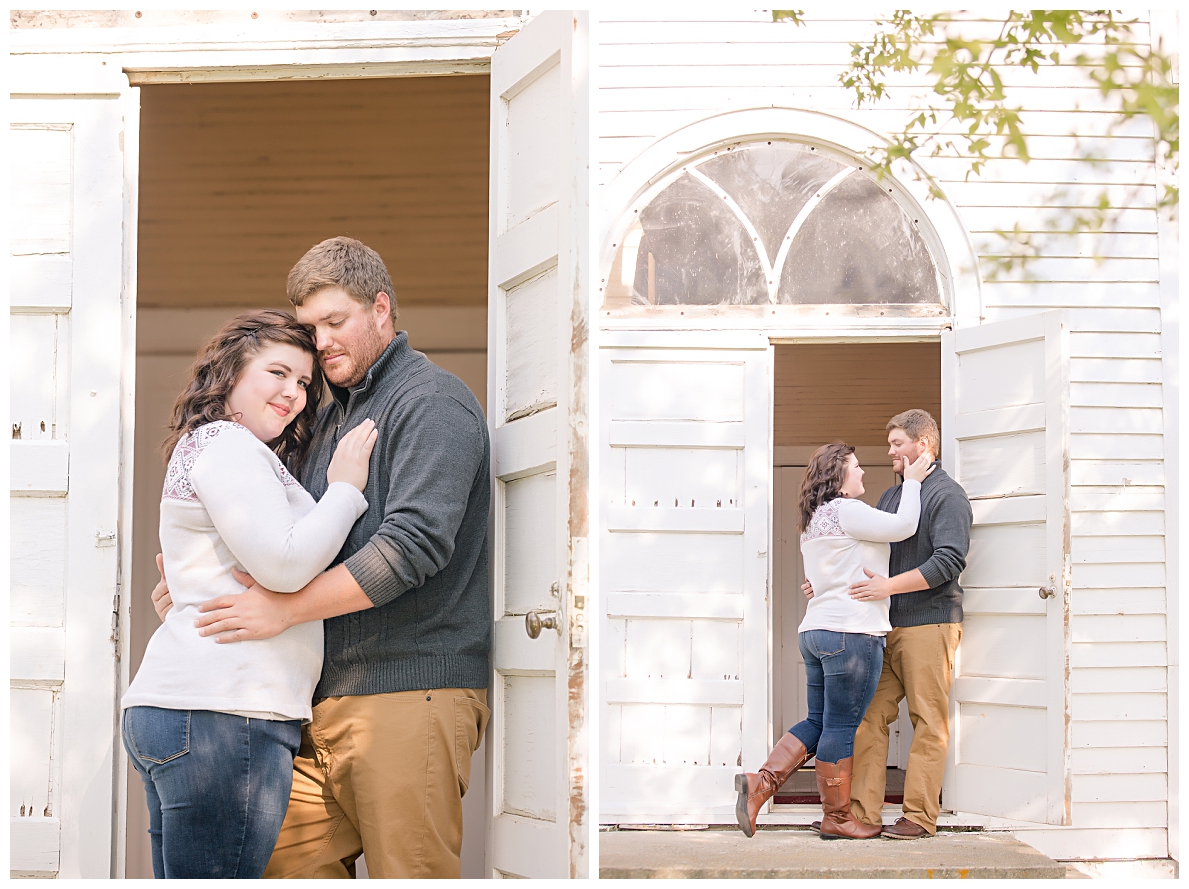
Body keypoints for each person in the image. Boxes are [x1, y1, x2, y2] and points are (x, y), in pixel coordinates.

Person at [152, 237, 491, 878]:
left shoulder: (431, 403)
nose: (322, 341)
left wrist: (282, 611)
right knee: (277, 862)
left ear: (381, 309)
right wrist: (199, 587)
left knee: (410, 873)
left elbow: (412, 546)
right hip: (316, 703)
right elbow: (284, 542)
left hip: (410, 689)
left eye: (336, 322)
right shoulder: (326, 419)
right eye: (311, 329)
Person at [123, 310, 379, 879]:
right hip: (223, 715)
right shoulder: (227, 444)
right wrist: (345, 488)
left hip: (194, 711)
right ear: (231, 372)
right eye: (278, 373)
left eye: (305, 382)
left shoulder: (215, 447)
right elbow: (285, 565)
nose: (293, 393)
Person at [735, 442, 935, 839]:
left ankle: (760, 785)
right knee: (841, 726)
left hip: (816, 631)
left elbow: (826, 576)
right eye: (857, 468)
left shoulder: (813, 519)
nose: (862, 474)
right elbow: (904, 526)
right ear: (839, 477)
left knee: (819, 720)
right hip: (851, 632)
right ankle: (838, 817)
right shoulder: (847, 510)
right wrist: (911, 483)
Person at [805, 409, 972, 840]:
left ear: (924, 446)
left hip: (929, 624)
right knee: (866, 718)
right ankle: (860, 813)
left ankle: (919, 817)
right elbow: (862, 557)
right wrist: (823, 584)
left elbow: (948, 562)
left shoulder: (949, 496)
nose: (891, 451)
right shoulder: (893, 498)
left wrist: (889, 588)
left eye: (899, 443)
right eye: (891, 443)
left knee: (927, 720)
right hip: (881, 627)